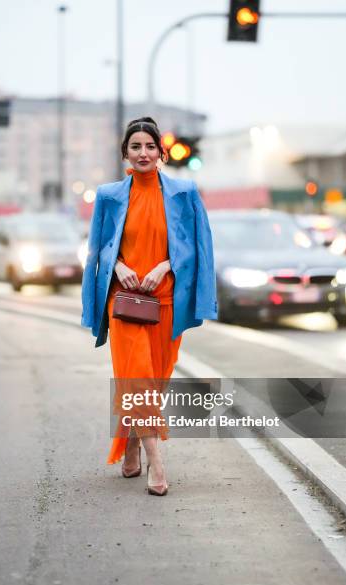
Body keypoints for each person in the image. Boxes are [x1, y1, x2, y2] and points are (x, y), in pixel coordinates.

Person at [81, 117, 217, 496]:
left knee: (152, 383)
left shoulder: (184, 193)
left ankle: (132, 444)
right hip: (123, 302)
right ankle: (158, 466)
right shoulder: (109, 196)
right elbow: (99, 249)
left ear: (161, 152)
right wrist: (119, 266)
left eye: (150, 146)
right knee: (136, 377)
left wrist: (166, 265)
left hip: (166, 300)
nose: (143, 153)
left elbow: (198, 245)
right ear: (125, 152)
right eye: (135, 146)